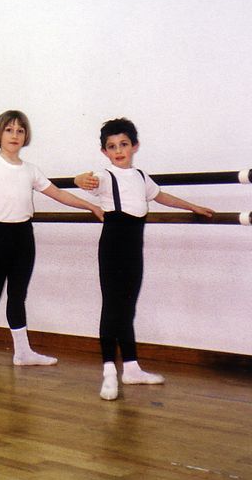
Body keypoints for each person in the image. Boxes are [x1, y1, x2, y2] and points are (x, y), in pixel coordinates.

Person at [0, 110, 104, 379]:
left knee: (17, 295)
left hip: (23, 236)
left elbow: (59, 193)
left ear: (25, 136)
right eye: (9, 130)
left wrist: (91, 206)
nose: (14, 135)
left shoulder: (31, 170)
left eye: (20, 130)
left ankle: (22, 352)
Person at [73, 117, 213, 400]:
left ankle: (133, 367)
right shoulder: (104, 177)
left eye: (124, 144)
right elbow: (84, 180)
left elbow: (161, 196)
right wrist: (80, 179)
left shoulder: (140, 177)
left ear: (134, 146)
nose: (119, 150)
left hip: (133, 251)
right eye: (112, 146)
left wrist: (193, 206)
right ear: (105, 152)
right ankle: (109, 371)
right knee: (112, 307)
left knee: (127, 308)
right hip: (112, 249)